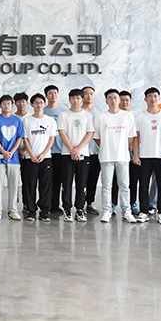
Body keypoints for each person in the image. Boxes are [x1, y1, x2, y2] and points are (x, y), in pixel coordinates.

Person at [94, 89, 138, 223]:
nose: (113, 100)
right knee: (106, 186)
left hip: (123, 157)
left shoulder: (127, 116)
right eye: (110, 98)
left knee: (124, 185)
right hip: (106, 157)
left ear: (119, 100)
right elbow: (97, 137)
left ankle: (126, 211)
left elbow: (131, 136)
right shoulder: (101, 117)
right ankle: (107, 211)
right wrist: (106, 146)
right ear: (106, 101)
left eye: (115, 98)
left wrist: (121, 146)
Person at [133, 87, 161, 224]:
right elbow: (136, 137)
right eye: (150, 96)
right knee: (143, 185)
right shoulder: (140, 116)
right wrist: (136, 155)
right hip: (144, 156)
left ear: (159, 98)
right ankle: (144, 212)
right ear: (145, 99)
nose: (153, 99)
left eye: (155, 96)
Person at [57, 89, 94, 222]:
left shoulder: (87, 116)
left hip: (83, 154)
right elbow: (62, 133)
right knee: (66, 183)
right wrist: (72, 150)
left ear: (82, 100)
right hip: (67, 154)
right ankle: (67, 209)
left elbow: (90, 133)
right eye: (73, 98)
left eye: (78, 98)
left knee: (81, 183)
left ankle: (80, 209)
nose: (75, 100)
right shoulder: (63, 115)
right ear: (69, 99)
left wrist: (78, 149)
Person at [21, 93, 57, 222]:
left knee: (45, 186)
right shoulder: (27, 121)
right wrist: (31, 155)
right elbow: (25, 139)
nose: (39, 105)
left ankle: (44, 211)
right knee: (29, 185)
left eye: (41, 102)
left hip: (46, 158)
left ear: (45, 104)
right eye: (36, 103)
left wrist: (43, 154)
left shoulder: (50, 121)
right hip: (29, 158)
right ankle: (31, 211)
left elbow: (51, 139)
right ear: (32, 105)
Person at [0, 95, 25, 221]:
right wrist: (3, 152)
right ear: (0, 105)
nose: (6, 106)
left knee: (14, 186)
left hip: (14, 159)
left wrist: (11, 152)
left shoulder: (17, 120)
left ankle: (13, 210)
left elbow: (20, 138)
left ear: (12, 105)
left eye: (9, 103)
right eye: (4, 103)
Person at [111, 90, 139, 216]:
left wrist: (132, 144)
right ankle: (113, 204)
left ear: (130, 102)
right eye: (122, 100)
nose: (124, 102)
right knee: (115, 180)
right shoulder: (114, 115)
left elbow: (137, 134)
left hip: (133, 152)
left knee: (132, 179)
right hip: (117, 152)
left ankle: (132, 203)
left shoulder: (135, 115)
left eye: (127, 100)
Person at [44, 85, 65, 216]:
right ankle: (46, 204)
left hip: (60, 151)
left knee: (58, 180)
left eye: (55, 93)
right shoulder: (42, 110)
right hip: (46, 152)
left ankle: (55, 205)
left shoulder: (63, 112)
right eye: (50, 93)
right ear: (46, 96)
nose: (53, 95)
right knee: (47, 181)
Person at [81, 86, 101, 215]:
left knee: (93, 179)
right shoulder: (78, 112)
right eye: (86, 93)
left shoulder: (100, 113)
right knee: (81, 179)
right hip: (82, 151)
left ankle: (90, 203)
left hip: (96, 151)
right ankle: (79, 204)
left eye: (91, 94)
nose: (89, 96)